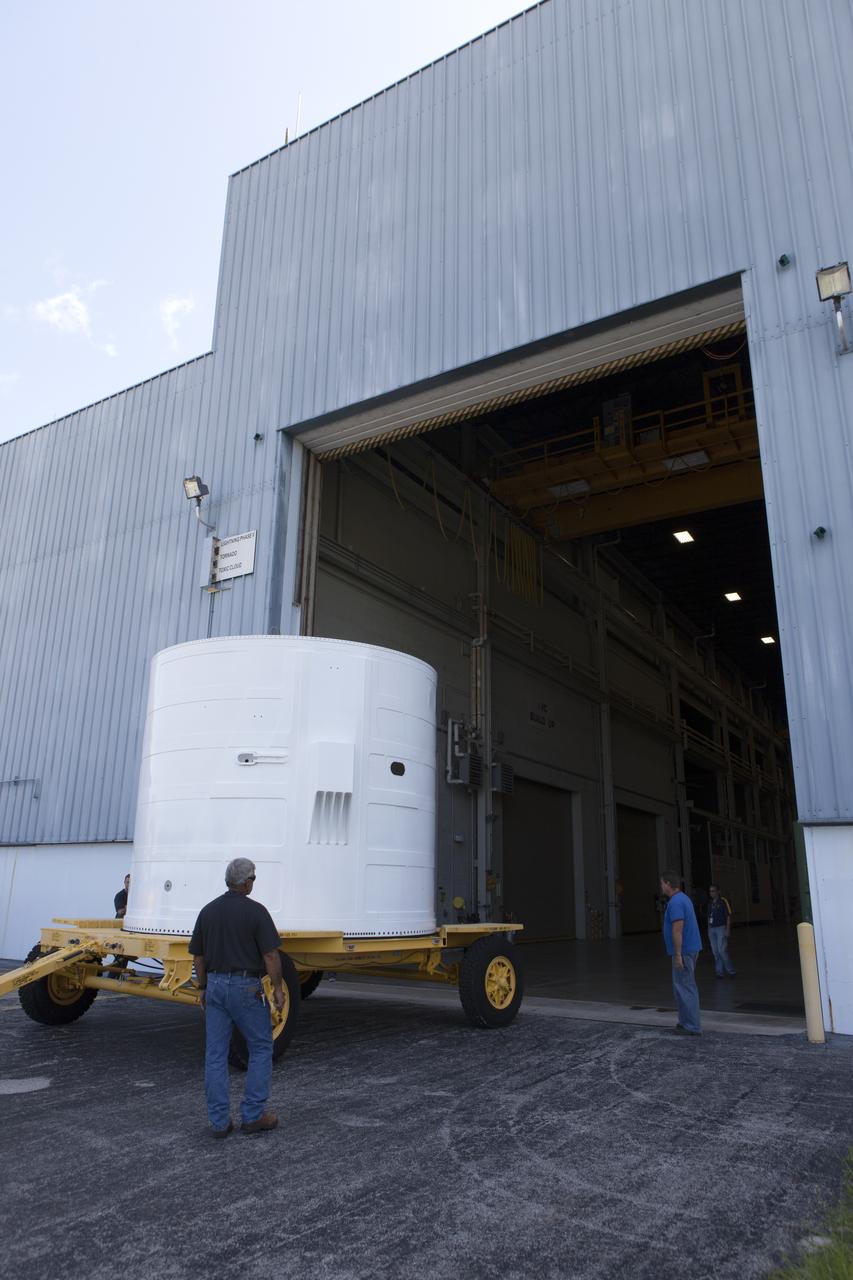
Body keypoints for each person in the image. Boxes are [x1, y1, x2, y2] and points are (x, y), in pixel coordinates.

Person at [189, 858, 285, 1138]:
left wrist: (204, 987)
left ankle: (219, 1123)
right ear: (246, 882)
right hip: (246, 987)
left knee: (215, 1054)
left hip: (216, 985)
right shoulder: (256, 912)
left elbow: (198, 957)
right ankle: (253, 1116)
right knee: (261, 1047)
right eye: (253, 878)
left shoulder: (208, 911)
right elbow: (270, 955)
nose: (253, 883)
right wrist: (278, 989)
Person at [660, 869, 702, 1036]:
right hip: (689, 949)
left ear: (668, 884)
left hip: (683, 951)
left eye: (662, 883)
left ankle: (692, 1026)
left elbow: (678, 929)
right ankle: (685, 1022)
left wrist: (677, 954)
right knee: (682, 987)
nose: (661, 887)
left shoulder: (676, 902)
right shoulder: (684, 899)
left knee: (685, 987)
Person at [707, 884, 736, 978]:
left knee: (722, 950)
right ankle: (719, 972)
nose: (711, 893)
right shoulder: (710, 903)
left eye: (713, 891)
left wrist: (728, 929)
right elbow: (709, 917)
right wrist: (708, 929)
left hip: (721, 928)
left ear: (718, 892)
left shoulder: (723, 901)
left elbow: (728, 916)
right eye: (710, 891)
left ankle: (731, 971)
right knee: (715, 952)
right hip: (712, 929)